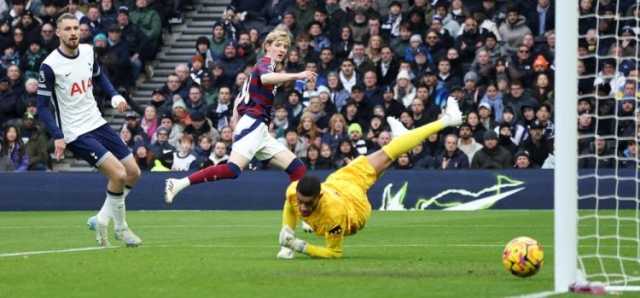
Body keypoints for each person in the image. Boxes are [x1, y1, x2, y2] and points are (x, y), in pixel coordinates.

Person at [276, 97, 462, 259]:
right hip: (346, 197)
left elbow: (334, 253)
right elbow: (290, 203)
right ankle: (402, 140)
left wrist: (298, 246)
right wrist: (287, 233)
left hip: (353, 202)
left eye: (308, 204)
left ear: (319, 197)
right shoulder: (294, 191)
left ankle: (446, 121)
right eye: (302, 202)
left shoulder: (333, 214)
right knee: (387, 155)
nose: (302, 207)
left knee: (386, 154)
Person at [164, 29, 317, 204]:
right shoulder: (265, 63)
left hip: (258, 128)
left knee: (298, 169)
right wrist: (298, 75)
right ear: (268, 46)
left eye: (285, 46)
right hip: (253, 124)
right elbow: (267, 78)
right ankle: (178, 183)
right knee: (232, 169)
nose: (282, 49)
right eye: (278, 45)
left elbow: (241, 95)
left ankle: (292, 223)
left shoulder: (262, 69)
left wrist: (236, 116)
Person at [36, 14, 142, 247]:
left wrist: (114, 94)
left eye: (76, 28)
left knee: (133, 172)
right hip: (75, 132)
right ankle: (121, 229)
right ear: (58, 33)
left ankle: (102, 218)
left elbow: (100, 76)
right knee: (118, 174)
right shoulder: (49, 66)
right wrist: (58, 135)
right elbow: (42, 108)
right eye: (68, 29)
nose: (73, 32)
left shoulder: (87, 51)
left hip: (97, 122)